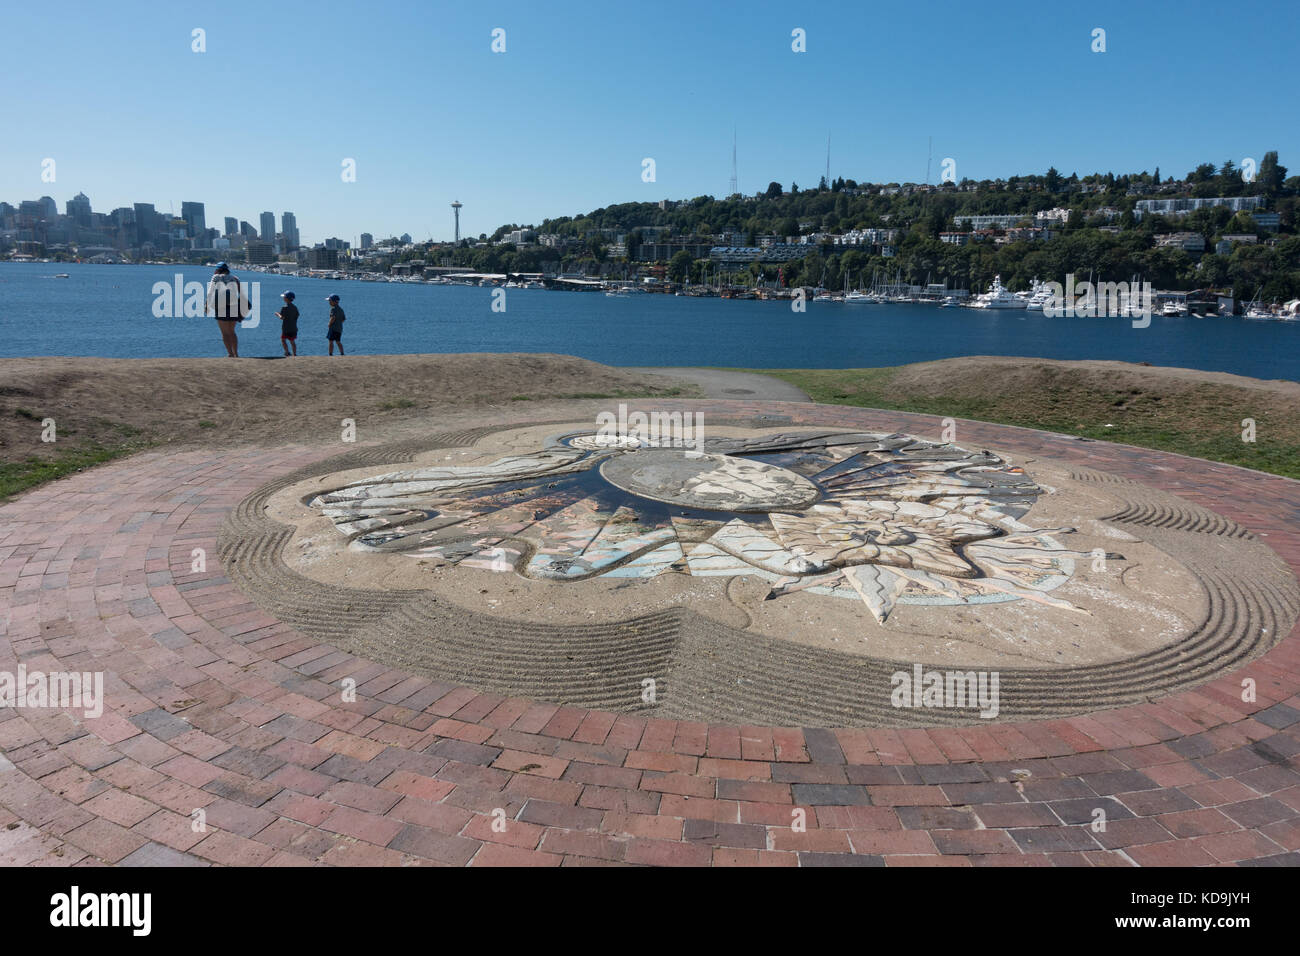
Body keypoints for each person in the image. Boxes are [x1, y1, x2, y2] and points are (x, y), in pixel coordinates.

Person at [204, 262, 246, 357]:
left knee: (224, 333)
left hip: (221, 307)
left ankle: (230, 353)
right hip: (234, 307)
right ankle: (236, 353)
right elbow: (241, 294)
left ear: (218, 269)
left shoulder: (215, 277)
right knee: (232, 331)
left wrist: (206, 306)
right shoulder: (235, 278)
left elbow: (210, 293)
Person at [276, 291, 299, 356]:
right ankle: (294, 354)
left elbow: (282, 317)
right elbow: (297, 316)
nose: (283, 298)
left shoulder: (284, 307)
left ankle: (287, 352)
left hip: (286, 328)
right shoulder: (295, 307)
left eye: (284, 297)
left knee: (283, 340)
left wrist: (277, 314)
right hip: (293, 327)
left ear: (286, 298)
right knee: (292, 341)